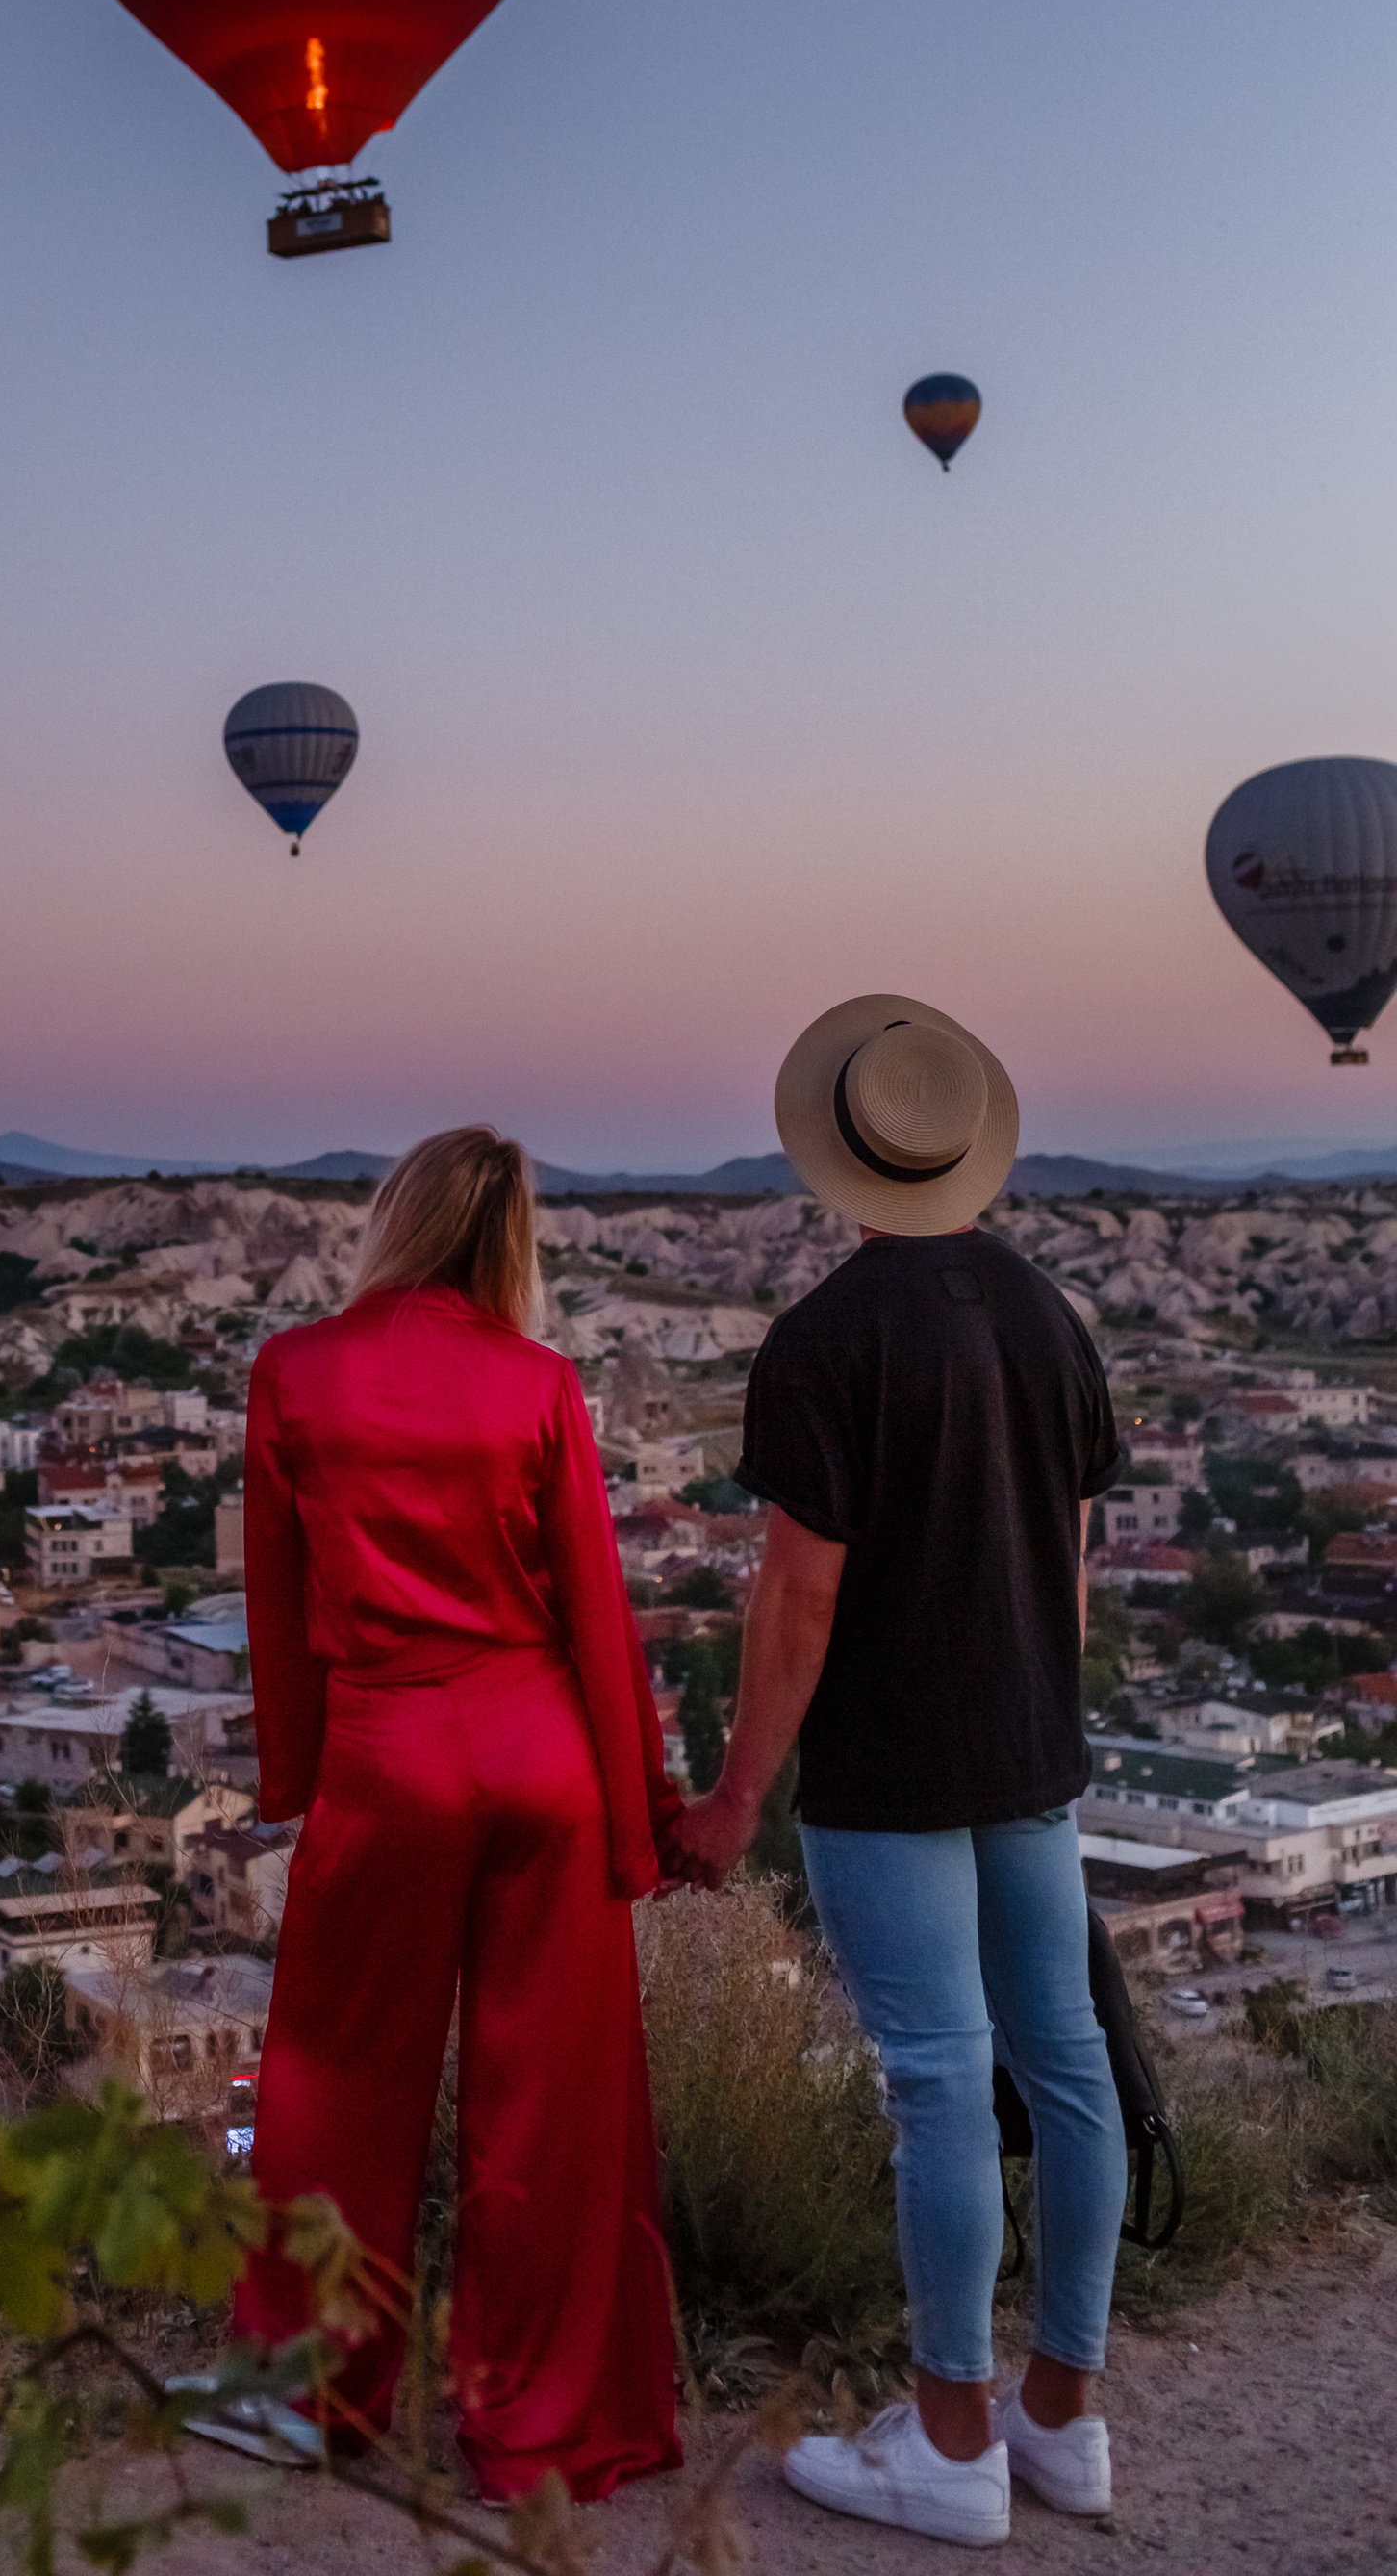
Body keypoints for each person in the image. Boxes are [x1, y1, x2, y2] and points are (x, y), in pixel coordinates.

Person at [677, 996, 1128, 2552]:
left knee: (937, 2080)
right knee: (1062, 2064)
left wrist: (737, 1794)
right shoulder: (1050, 1318)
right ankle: (1060, 2419)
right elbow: (1071, 1566)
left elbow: (797, 1598)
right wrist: (1047, 1721)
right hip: (1030, 1743)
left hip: (890, 1763)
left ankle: (948, 2442)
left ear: (842, 1161)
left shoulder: (823, 1344)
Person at [231, 1126, 686, 2503]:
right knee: (551, 2108)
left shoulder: (294, 1373)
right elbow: (600, 1611)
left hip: (390, 1750)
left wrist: (293, 1780)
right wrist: (642, 1809)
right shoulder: (541, 1383)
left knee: (336, 2080)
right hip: (542, 1750)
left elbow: (275, 1604)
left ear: (394, 1217)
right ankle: (542, 2429)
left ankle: (305, 2401)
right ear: (512, 1242)